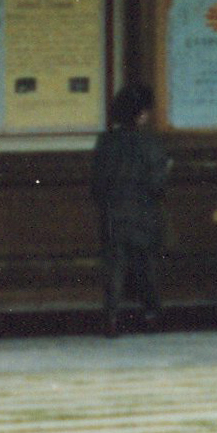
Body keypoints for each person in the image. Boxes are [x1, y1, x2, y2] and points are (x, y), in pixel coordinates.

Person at [88, 80, 171, 333]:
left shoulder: (105, 142)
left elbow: (96, 184)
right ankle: (151, 315)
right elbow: (157, 184)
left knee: (115, 266)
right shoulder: (150, 143)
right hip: (143, 213)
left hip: (112, 213)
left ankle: (111, 317)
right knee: (145, 266)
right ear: (142, 114)